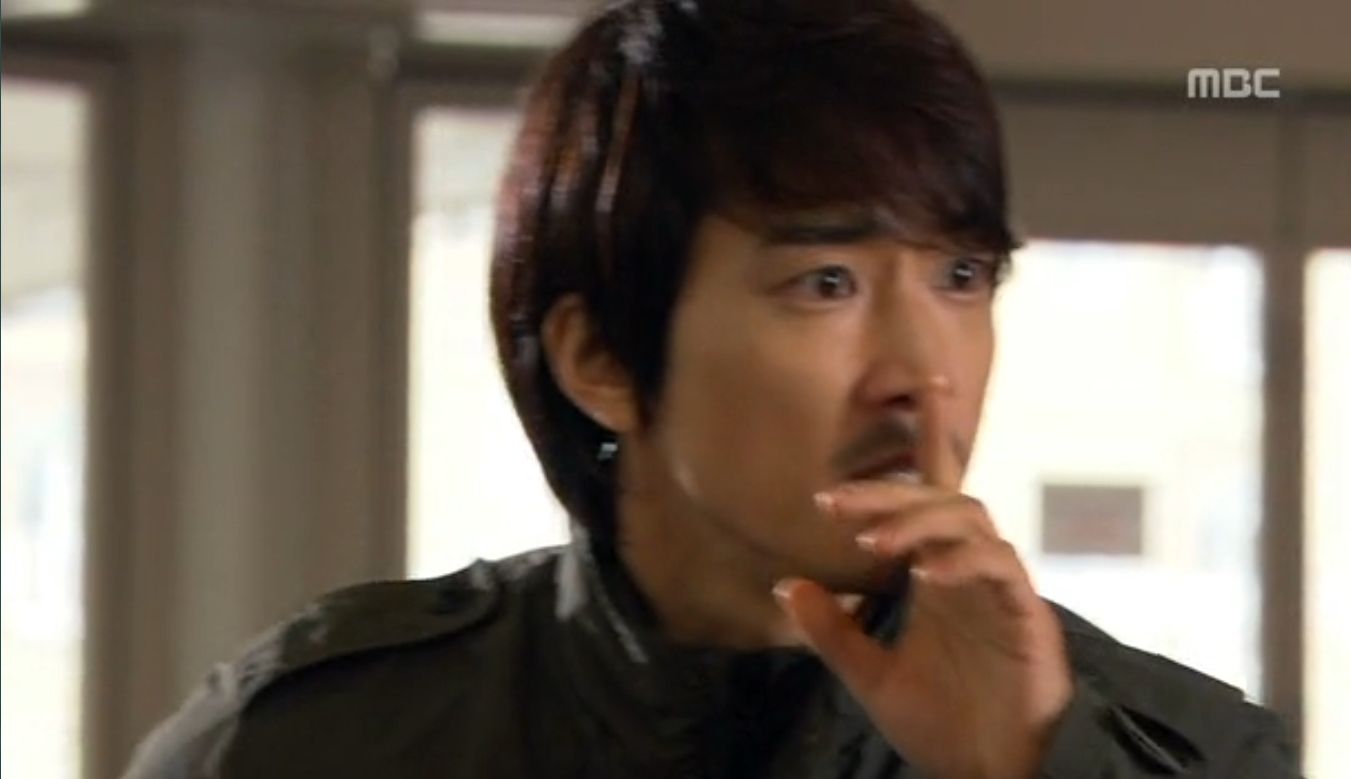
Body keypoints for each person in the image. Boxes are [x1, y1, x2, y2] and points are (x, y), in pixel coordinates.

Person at [123, 0, 1299, 776]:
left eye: (960, 276)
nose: (921, 372)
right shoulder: (314, 741)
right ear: (602, 359)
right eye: (826, 283)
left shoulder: (1188, 755)